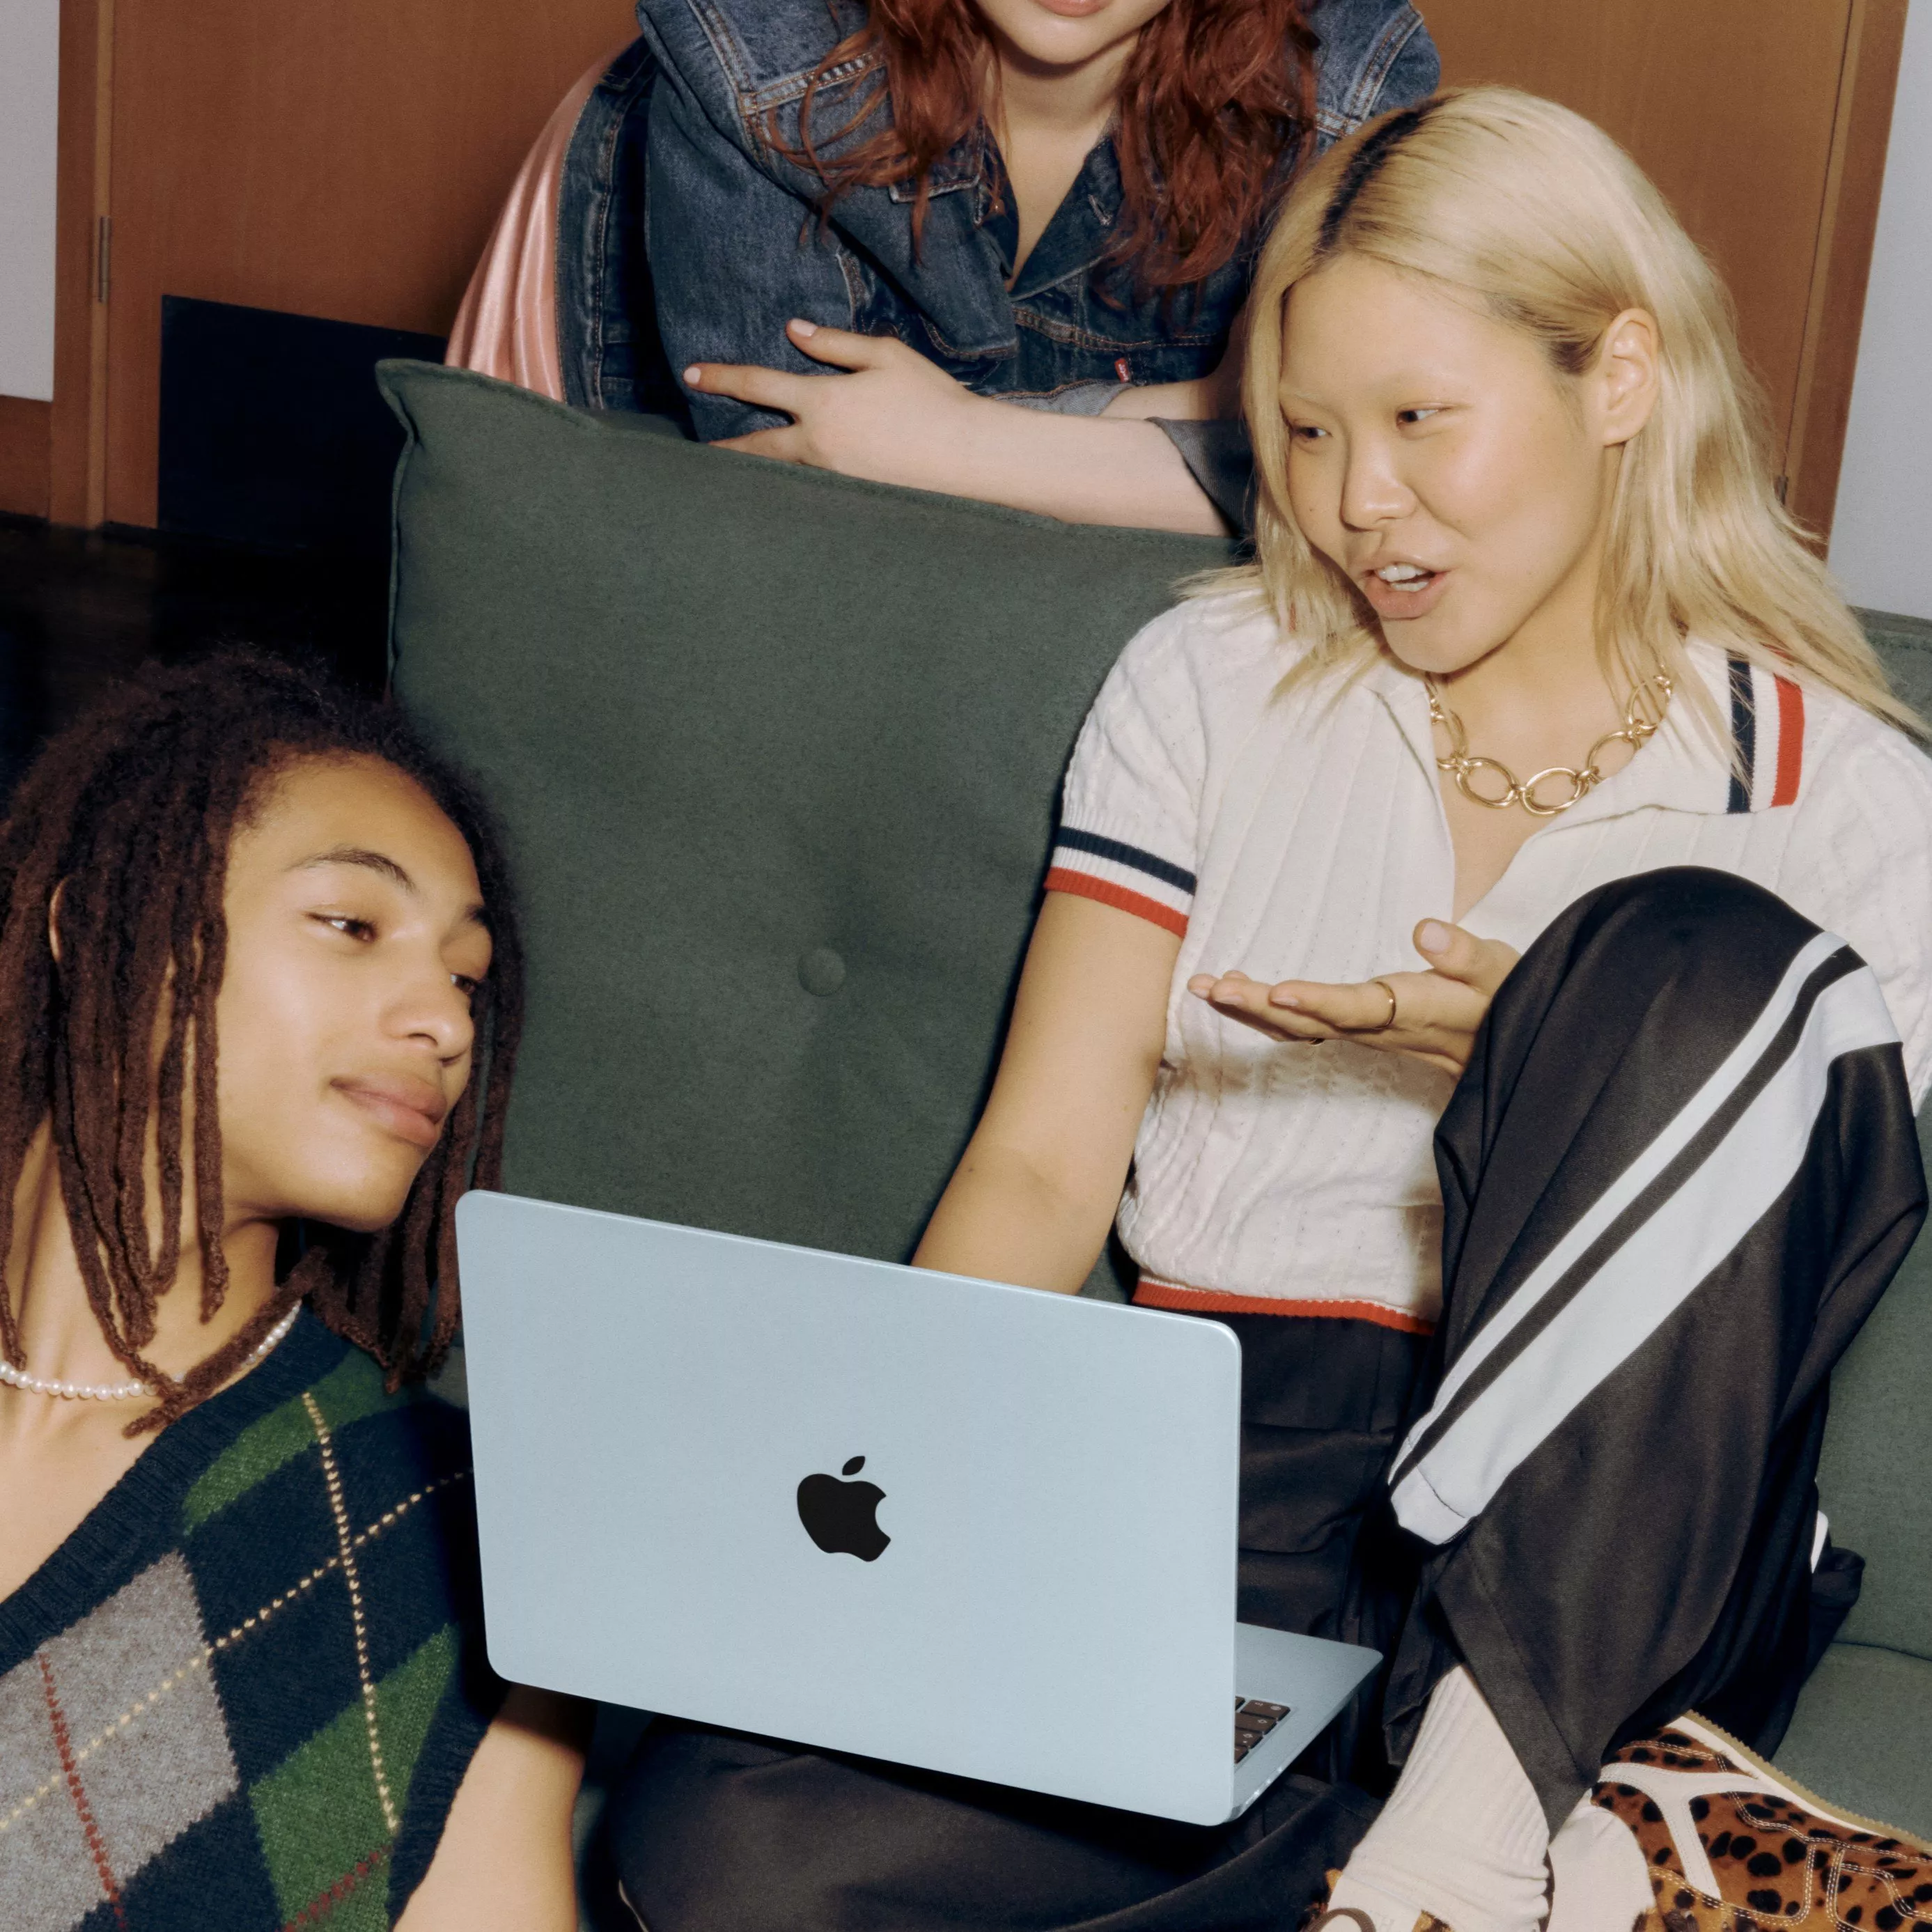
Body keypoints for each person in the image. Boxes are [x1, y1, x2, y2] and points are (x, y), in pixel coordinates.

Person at [609, 89, 1932, 1931]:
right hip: (1217, 1474)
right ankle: (1551, 1867)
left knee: (1683, 956)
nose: (1351, 499)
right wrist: (892, 1533)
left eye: (1415, 421)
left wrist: (1539, 1070)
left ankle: (1474, 1822)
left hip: (1626, 1506)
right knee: (716, 1849)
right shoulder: (1211, 681)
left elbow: (1788, 1253)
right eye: (1303, 432)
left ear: (1615, 377)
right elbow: (1041, 1161)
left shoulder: (1846, 796)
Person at [0, 655, 586, 1930]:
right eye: (351, 923)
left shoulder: (456, 1552)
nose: (444, 1018)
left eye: (467, 976)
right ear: (99, 917)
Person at [447, 0, 1438, 533]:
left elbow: (1361, 480)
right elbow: (790, 497)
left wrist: (953, 442)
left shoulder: (1342, 76)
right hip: (718, 557)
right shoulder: (762, 34)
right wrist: (1196, 415)